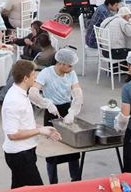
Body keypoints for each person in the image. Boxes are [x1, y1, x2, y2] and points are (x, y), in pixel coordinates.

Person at [1, 59, 61, 189]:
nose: (36, 77)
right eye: (33, 75)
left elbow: (24, 124)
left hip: (25, 152)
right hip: (20, 155)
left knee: (19, 188)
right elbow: (12, 134)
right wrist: (40, 131)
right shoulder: (14, 100)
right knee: (37, 189)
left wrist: (43, 128)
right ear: (25, 78)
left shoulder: (20, 93)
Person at [29, 49, 83, 183]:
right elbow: (33, 92)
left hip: (67, 108)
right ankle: (53, 183)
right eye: (69, 65)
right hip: (51, 111)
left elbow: (77, 93)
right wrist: (46, 103)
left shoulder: (71, 74)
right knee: (52, 150)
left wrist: (73, 111)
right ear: (60, 63)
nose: (71, 68)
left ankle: (76, 180)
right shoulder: (46, 73)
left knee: (72, 148)